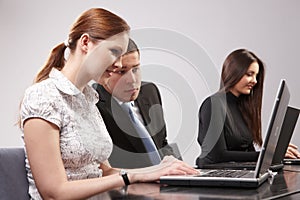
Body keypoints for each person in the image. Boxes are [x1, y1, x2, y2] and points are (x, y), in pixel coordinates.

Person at [19, 8, 198, 200]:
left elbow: (104, 172)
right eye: (114, 52)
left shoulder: (88, 98)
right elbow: (54, 193)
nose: (119, 64)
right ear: (85, 43)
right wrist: (133, 176)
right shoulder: (42, 96)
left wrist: (157, 170)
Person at [196, 48, 300, 168]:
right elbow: (217, 156)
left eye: (256, 76)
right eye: (249, 74)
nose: (255, 81)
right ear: (234, 72)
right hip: (215, 176)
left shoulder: (243, 107)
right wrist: (266, 155)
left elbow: (248, 152)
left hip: (238, 170)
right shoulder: (213, 104)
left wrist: (272, 154)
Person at [93, 39, 177, 168]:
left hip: (167, 181)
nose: (132, 80)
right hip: (129, 184)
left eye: (135, 69)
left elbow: (162, 143)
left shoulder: (150, 91)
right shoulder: (93, 104)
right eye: (121, 71)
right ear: (104, 73)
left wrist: (179, 168)